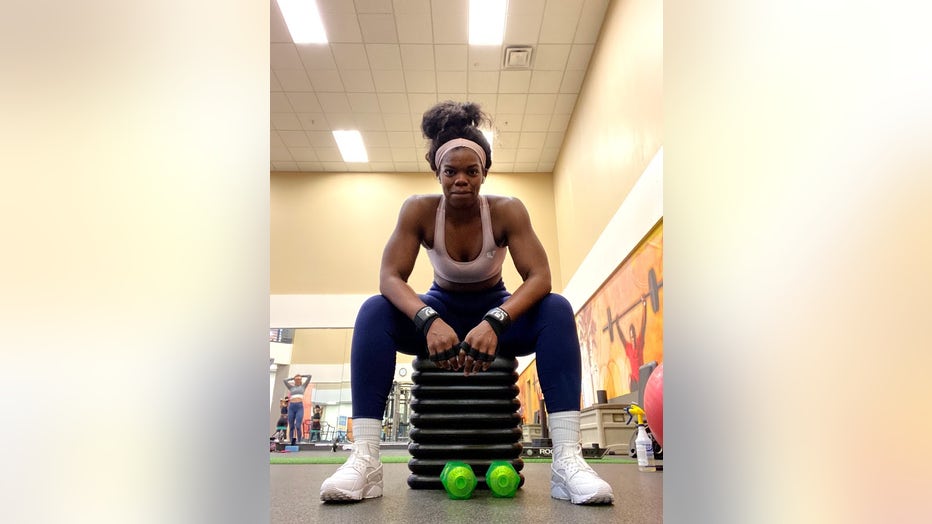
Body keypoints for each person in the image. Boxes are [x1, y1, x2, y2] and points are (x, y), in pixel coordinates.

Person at [319, 101, 614, 505]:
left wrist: (497, 319)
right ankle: (365, 460)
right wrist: (425, 318)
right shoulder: (419, 210)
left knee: (557, 308)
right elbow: (390, 276)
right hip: (439, 313)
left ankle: (567, 460)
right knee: (373, 310)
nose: (461, 180)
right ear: (437, 173)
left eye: (471, 171)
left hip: (497, 314)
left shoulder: (507, 210)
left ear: (484, 173)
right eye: (451, 172)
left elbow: (540, 276)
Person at [283, 374, 311, 445]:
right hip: (291, 407)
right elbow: (284, 380)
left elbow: (309, 376)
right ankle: (291, 441)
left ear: (301, 380)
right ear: (294, 381)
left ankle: (299, 440)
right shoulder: (291, 387)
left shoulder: (303, 386)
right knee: (291, 426)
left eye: (299, 379)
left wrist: (301, 376)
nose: (298, 380)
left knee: (298, 425)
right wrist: (293, 378)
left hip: (299, 407)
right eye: (296, 380)